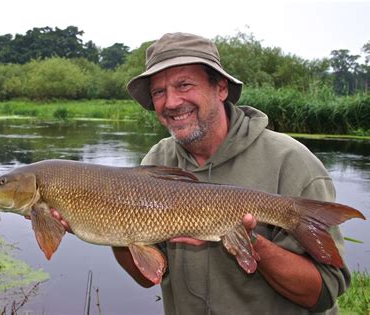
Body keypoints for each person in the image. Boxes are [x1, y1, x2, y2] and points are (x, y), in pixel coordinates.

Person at [111, 32, 351, 314]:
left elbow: (323, 293)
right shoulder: (156, 162)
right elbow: (151, 275)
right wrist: (113, 228)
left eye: (184, 85)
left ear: (221, 88)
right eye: (158, 92)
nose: (171, 102)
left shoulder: (292, 162)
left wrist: (248, 241)